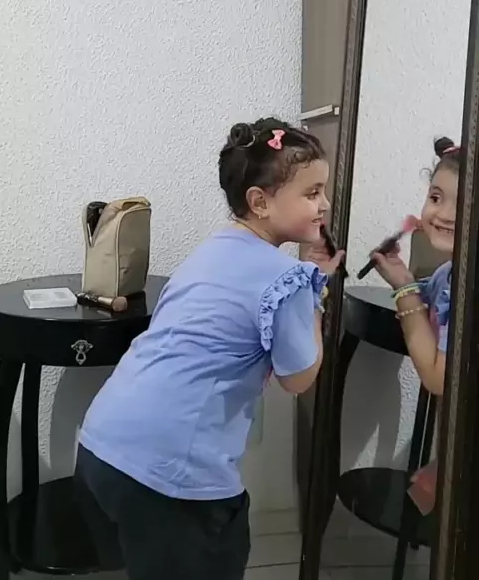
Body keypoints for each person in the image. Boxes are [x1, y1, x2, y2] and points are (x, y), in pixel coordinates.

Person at [75, 117, 345, 580]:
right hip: (170, 477)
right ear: (259, 202)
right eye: (312, 193)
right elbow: (299, 377)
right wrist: (316, 296)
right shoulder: (287, 280)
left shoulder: (212, 250)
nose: (324, 205)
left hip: (101, 448)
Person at [372, 136, 459, 514]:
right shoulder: (448, 273)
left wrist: (404, 291)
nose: (444, 214)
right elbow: (425, 294)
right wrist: (404, 280)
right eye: (436, 197)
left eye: (465, 202)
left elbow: (440, 379)